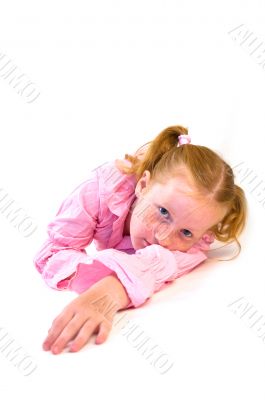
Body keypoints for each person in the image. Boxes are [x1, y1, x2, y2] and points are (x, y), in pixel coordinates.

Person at [33, 125, 248, 355]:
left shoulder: (195, 244)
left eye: (185, 232)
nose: (164, 238)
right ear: (143, 186)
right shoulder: (99, 192)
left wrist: (114, 288)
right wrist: (108, 275)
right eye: (163, 212)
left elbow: (164, 262)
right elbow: (52, 253)